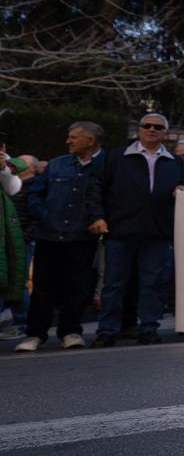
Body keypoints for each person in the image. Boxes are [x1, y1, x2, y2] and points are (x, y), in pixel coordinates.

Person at [86, 112, 184, 346]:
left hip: (158, 233)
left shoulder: (176, 163)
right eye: (147, 125)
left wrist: (181, 192)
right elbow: (97, 188)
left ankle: (149, 328)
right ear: (139, 129)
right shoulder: (116, 157)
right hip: (120, 231)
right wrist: (98, 217)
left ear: (166, 132)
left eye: (158, 126)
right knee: (114, 284)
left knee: (154, 283)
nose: (152, 129)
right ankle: (107, 331)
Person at [15, 122, 104, 352]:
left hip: (82, 238)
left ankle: (71, 331)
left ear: (91, 140)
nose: (68, 141)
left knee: (76, 287)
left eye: (74, 137)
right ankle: (35, 334)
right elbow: (35, 194)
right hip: (49, 236)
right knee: (42, 287)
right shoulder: (56, 165)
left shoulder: (107, 166)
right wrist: (44, 215)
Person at [0, 144, 29, 342]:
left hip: (6, 231)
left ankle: (23, 322)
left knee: (11, 277)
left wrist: (3, 167)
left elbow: (13, 188)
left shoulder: (8, 162)